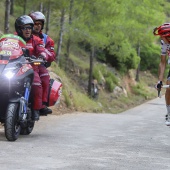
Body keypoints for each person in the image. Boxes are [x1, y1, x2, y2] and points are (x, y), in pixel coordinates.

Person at [15, 15, 49, 121]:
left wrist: (42, 56)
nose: (28, 30)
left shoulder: (37, 40)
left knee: (36, 84)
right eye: (25, 28)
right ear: (19, 29)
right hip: (15, 66)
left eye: (29, 28)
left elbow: (42, 50)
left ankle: (35, 109)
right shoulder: (13, 38)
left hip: (31, 68)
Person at [29, 11, 56, 116]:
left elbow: (51, 53)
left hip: (37, 64)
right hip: (20, 62)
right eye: (36, 23)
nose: (38, 26)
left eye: (40, 24)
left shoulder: (46, 39)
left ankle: (42, 105)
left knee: (44, 76)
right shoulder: (22, 33)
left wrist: (44, 56)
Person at [153, 23, 170, 126]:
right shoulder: (164, 43)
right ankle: (169, 113)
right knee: (168, 87)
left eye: (162, 37)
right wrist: (160, 80)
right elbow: (162, 62)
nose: (161, 40)